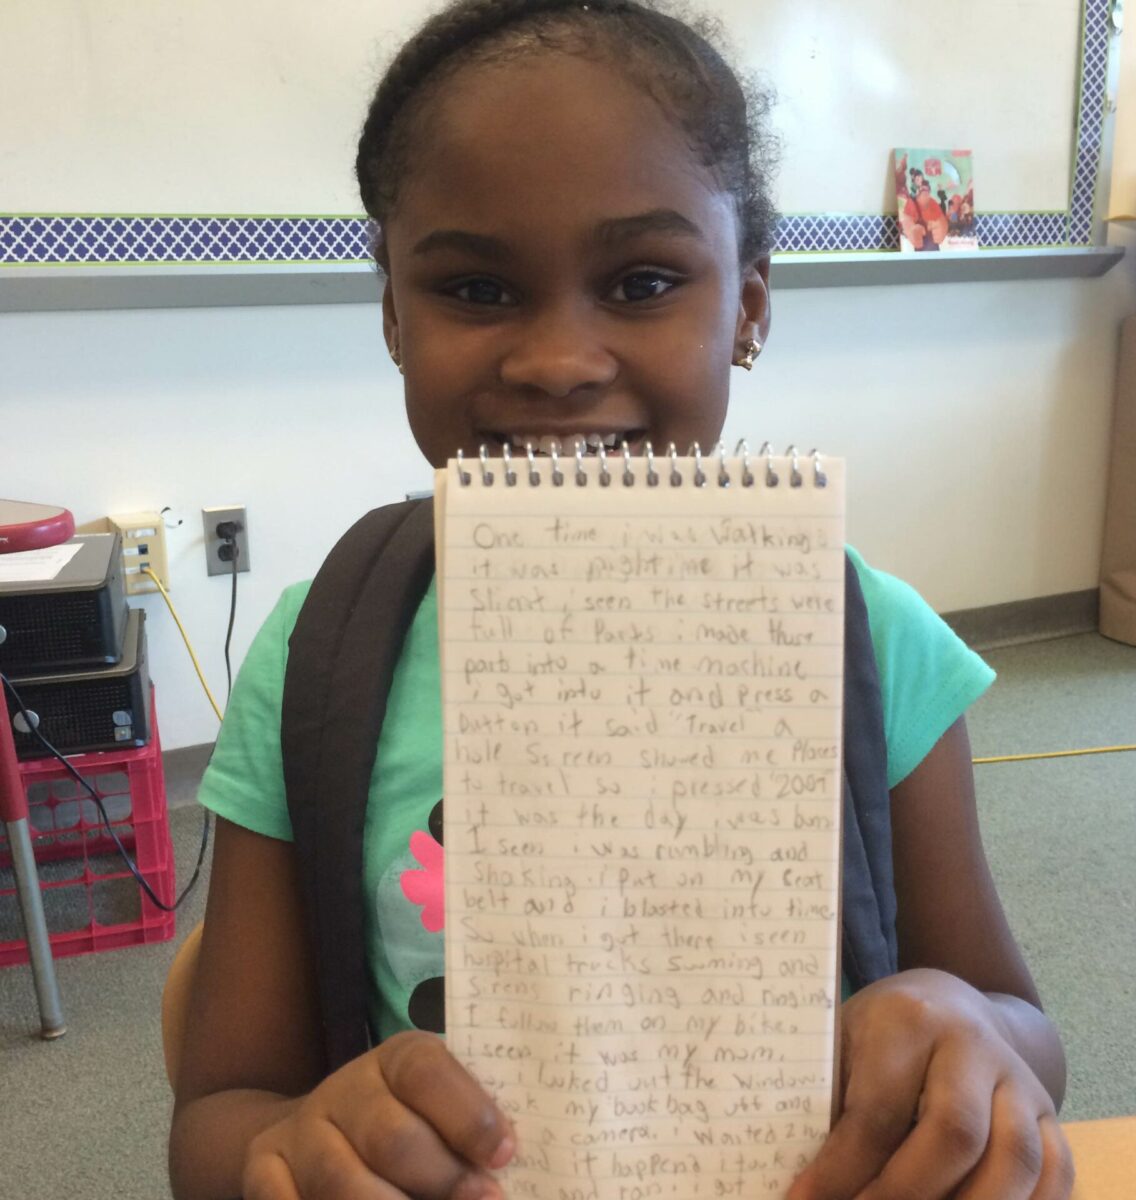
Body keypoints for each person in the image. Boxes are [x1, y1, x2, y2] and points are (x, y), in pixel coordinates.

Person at [168, 3, 1073, 1198]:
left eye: (643, 282)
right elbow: (218, 1121)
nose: (556, 361)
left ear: (747, 307)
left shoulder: (868, 637)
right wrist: (295, 1146)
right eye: (476, 289)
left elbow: (1027, 1034)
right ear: (392, 310)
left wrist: (971, 1029)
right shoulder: (319, 654)